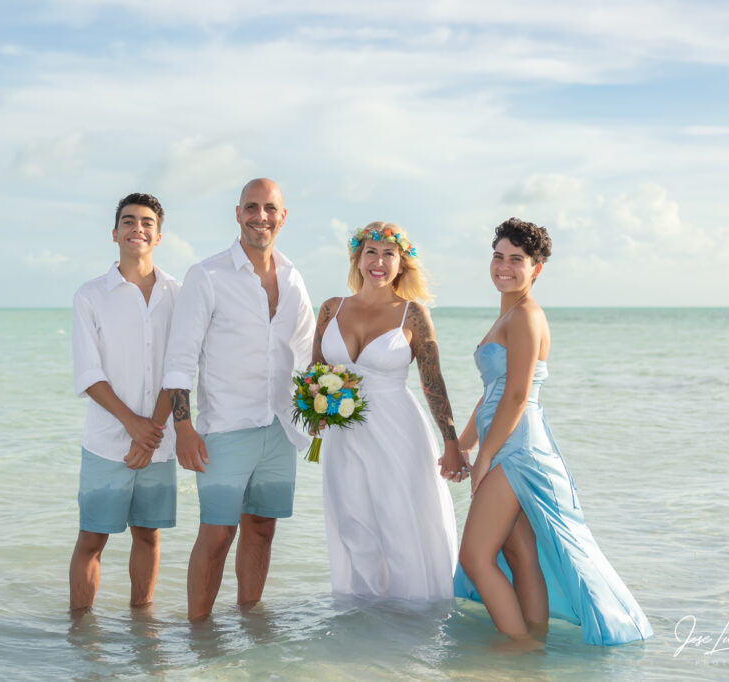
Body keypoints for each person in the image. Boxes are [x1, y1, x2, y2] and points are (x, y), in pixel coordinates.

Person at [455, 218, 653, 646]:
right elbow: (490, 394)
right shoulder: (507, 312)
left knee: (474, 556)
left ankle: (517, 647)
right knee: (518, 552)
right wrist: (460, 445)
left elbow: (517, 395)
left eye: (517, 260)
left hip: (516, 447)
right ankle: (535, 643)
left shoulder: (526, 315)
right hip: (503, 440)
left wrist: (485, 456)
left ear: (536, 269)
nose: (504, 267)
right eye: (498, 256)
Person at [158, 178, 315, 621]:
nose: (260, 216)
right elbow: (179, 360)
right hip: (224, 430)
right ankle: (198, 631)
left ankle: (250, 623)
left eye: (269, 208)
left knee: (262, 529)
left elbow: (305, 353)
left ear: (283, 216)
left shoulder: (293, 277)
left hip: (281, 429)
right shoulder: (206, 275)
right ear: (238, 212)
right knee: (217, 533)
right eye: (251, 207)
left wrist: (322, 407)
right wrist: (183, 428)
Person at [311, 221, 467, 600]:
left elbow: (433, 382)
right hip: (343, 434)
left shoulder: (413, 314)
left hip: (397, 431)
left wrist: (451, 443)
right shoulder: (332, 308)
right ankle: (366, 618)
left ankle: (415, 617)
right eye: (371, 252)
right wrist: (313, 409)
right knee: (353, 525)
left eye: (388, 254)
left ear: (401, 263)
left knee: (400, 523)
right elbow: (315, 370)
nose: (378, 262)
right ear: (357, 258)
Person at [69, 193, 181, 612]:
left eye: (147, 222)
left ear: (159, 235)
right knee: (92, 538)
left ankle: (142, 623)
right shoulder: (91, 295)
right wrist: (133, 426)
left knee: (148, 534)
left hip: (159, 439)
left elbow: (179, 367)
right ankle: (80, 632)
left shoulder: (179, 293)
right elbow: (88, 373)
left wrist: (149, 432)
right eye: (129, 221)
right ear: (115, 233)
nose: (139, 228)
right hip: (106, 441)